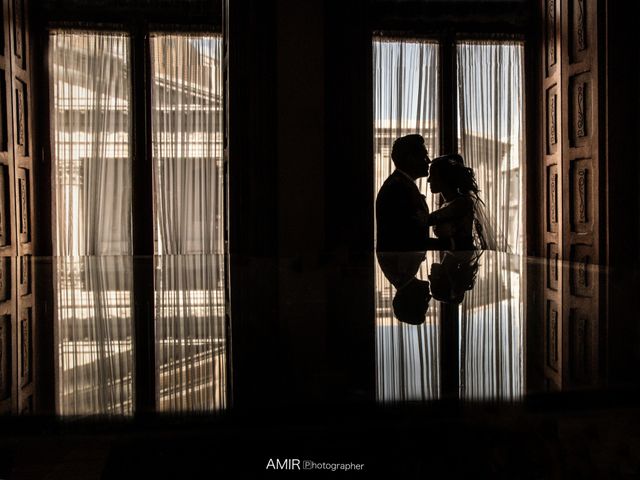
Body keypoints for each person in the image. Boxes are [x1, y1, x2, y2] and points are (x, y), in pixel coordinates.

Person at [376, 134, 449, 251]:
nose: (429, 161)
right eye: (424, 156)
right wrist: (452, 245)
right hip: (400, 263)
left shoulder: (401, 184)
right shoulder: (398, 188)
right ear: (411, 158)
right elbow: (407, 238)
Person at [426, 154, 497, 250]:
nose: (428, 180)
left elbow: (427, 220)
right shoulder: (447, 204)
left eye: (433, 175)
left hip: (463, 259)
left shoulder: (462, 203)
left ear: (445, 178)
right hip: (451, 259)